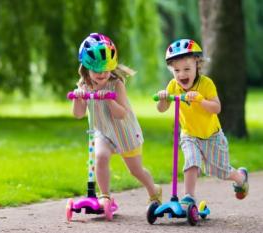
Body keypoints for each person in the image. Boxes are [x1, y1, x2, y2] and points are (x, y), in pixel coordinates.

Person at [156, 39, 249, 209]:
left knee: (219, 171)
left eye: (186, 69)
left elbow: (217, 108)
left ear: (197, 65)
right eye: (176, 70)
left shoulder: (206, 84)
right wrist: (163, 98)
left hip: (212, 136)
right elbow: (162, 109)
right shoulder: (173, 86)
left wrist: (200, 100)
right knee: (191, 161)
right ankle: (189, 197)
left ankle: (240, 177)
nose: (181, 74)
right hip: (189, 134)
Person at [72, 32, 162, 207]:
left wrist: (109, 99)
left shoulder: (116, 84)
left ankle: (153, 189)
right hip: (103, 131)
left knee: (135, 170)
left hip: (124, 132)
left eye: (106, 69)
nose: (102, 74)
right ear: (86, 67)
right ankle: (104, 196)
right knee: (100, 156)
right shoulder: (83, 85)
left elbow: (121, 114)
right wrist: (78, 98)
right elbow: (78, 114)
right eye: (97, 70)